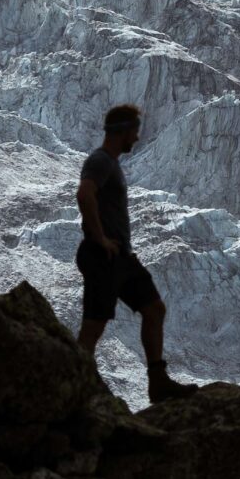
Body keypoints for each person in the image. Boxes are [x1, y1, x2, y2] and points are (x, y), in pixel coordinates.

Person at [75, 101, 173, 402]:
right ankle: (74, 384)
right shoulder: (101, 160)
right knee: (94, 325)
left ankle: (157, 382)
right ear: (123, 131)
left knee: (154, 308)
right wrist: (100, 237)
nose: (137, 138)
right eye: (135, 131)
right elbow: (84, 192)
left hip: (120, 257)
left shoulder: (111, 163)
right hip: (103, 255)